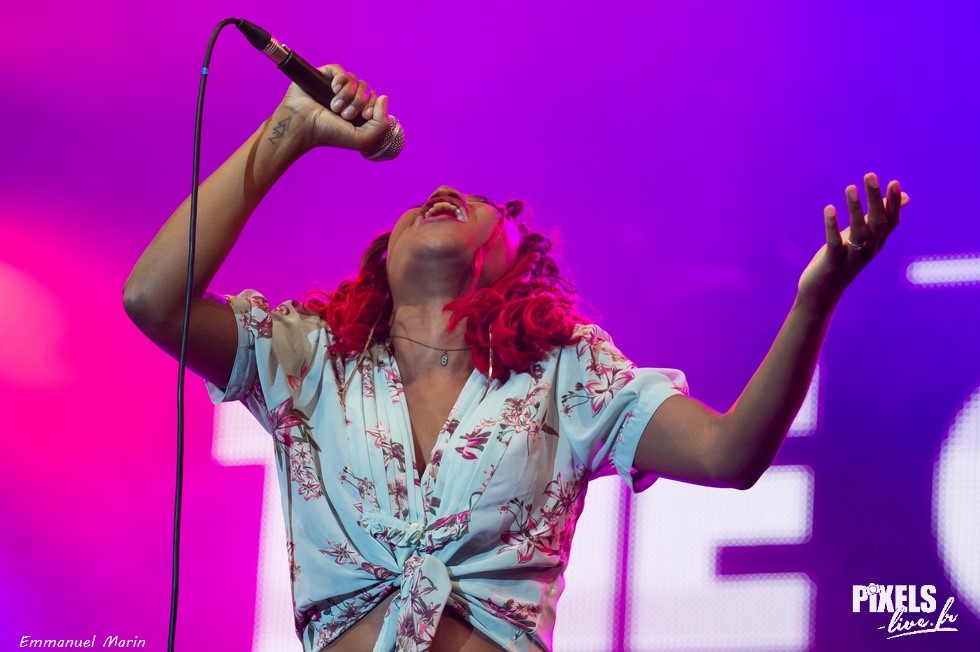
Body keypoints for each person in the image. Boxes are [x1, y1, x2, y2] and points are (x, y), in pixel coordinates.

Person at [124, 65, 907, 652]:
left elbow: (728, 454)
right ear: (383, 260)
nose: (442, 191)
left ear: (511, 263)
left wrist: (814, 302)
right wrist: (289, 130)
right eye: (417, 206)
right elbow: (153, 300)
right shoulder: (311, 358)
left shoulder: (565, 373)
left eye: (481, 206)